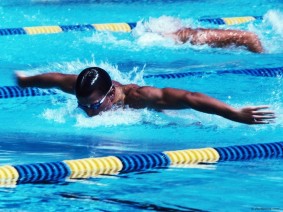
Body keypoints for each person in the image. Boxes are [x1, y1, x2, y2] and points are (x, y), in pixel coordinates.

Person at [16, 67, 275, 124]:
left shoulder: (138, 97)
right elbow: (49, 79)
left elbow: (189, 97)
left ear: (110, 94)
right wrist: (24, 80)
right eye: (83, 106)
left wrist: (233, 113)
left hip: (160, 114)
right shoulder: (79, 86)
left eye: (93, 105)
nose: (88, 112)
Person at [162, 28, 264, 53]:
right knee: (251, 36)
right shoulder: (248, 37)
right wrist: (264, 55)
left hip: (194, 35)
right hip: (200, 37)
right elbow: (250, 37)